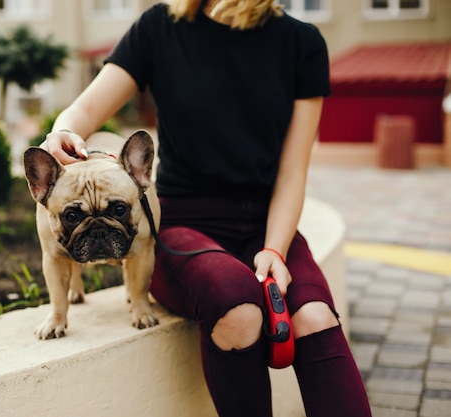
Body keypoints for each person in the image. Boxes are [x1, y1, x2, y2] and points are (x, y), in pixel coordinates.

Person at [41, 1, 372, 416]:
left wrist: (275, 250)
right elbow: (86, 109)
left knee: (315, 317)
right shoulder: (160, 26)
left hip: (265, 226)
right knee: (238, 310)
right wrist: (63, 130)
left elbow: (292, 173)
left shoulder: (301, 42)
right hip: (182, 227)